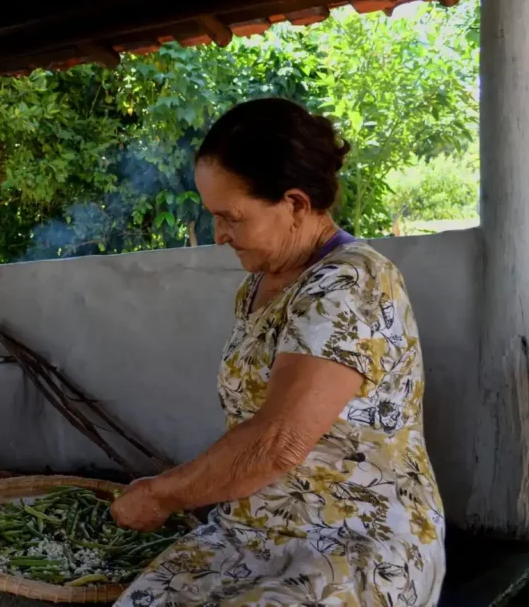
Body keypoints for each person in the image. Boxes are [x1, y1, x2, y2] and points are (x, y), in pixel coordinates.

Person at [111, 99, 445, 606]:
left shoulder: (352, 282)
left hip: (352, 540)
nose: (219, 235)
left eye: (232, 218)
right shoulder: (259, 286)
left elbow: (280, 442)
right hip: (251, 531)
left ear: (294, 203)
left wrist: (162, 495)